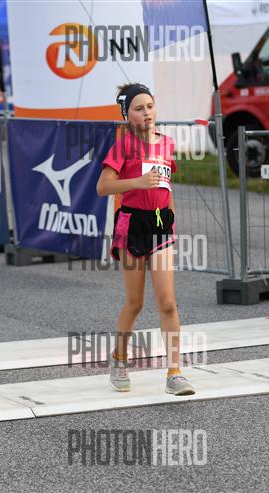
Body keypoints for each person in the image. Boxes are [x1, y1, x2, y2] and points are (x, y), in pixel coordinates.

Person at [96, 83, 195, 396]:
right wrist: (137, 181)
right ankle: (119, 359)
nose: (147, 113)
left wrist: (171, 217)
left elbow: (166, 185)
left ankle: (175, 372)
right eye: (139, 109)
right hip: (131, 224)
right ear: (127, 115)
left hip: (161, 224)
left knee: (167, 302)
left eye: (150, 106)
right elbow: (103, 187)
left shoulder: (166, 143)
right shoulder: (122, 146)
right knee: (135, 302)